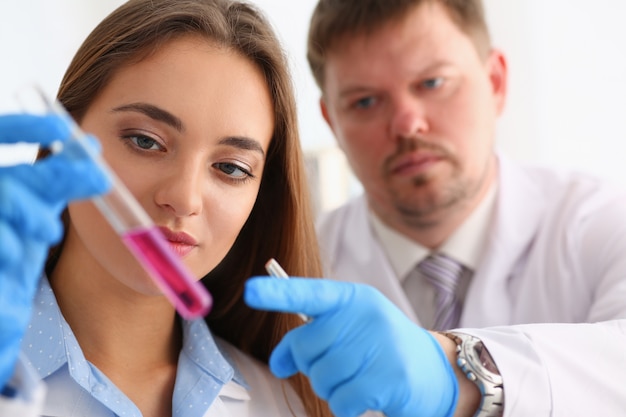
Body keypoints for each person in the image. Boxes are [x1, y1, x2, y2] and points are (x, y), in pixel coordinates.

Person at [0, 0, 338, 415]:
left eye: (231, 168)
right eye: (145, 141)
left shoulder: (284, 403)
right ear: (63, 138)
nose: (184, 197)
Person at [305, 0, 626, 416]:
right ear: (332, 122)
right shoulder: (307, 262)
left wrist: (460, 373)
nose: (406, 123)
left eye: (433, 82)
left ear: (495, 82)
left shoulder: (601, 221)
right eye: (365, 102)